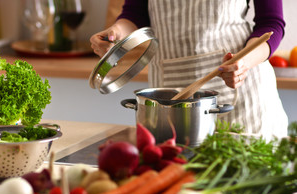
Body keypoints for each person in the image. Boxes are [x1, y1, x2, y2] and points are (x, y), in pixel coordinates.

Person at [90, 0, 288, 139]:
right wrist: (117, 33)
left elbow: (271, 23)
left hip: (242, 88)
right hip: (169, 93)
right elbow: (134, 14)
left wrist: (243, 61)